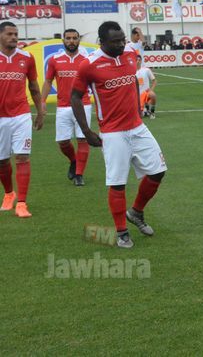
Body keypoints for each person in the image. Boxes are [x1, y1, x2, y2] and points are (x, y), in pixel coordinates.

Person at [71, 21, 168, 248]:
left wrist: (137, 108)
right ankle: (122, 232)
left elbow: (133, 81)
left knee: (158, 171)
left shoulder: (129, 54)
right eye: (115, 41)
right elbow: (75, 96)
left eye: (122, 40)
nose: (120, 44)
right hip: (113, 133)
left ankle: (136, 212)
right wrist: (86, 131)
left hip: (137, 127)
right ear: (102, 42)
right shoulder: (89, 64)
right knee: (117, 184)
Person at [0, 21, 45, 217]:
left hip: (21, 115)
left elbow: (34, 86)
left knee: (22, 157)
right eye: (9, 34)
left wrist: (40, 111)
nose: (14, 37)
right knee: (2, 161)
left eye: (16, 34)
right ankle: (9, 194)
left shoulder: (27, 57)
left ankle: (22, 203)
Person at [41, 29, 92, 186]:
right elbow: (48, 81)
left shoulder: (87, 60)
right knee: (63, 142)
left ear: (79, 40)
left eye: (74, 38)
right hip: (63, 106)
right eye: (68, 38)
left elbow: (95, 83)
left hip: (83, 104)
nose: (71, 41)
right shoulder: (55, 60)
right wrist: (42, 101)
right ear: (63, 40)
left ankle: (79, 175)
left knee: (83, 139)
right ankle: (74, 160)